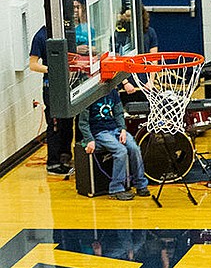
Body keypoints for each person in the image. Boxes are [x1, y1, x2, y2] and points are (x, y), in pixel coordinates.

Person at [78, 88, 150, 201]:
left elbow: (119, 113)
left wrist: (122, 129)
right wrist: (89, 139)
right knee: (121, 151)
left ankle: (140, 184)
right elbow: (83, 122)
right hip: (99, 132)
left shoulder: (112, 92)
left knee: (134, 148)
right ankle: (116, 189)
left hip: (114, 129)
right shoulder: (89, 94)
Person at [28, 25, 74, 176]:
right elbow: (33, 64)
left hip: (69, 84)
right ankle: (53, 163)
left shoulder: (66, 30)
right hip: (51, 86)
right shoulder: (41, 36)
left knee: (67, 122)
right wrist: (53, 69)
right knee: (55, 124)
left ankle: (65, 156)